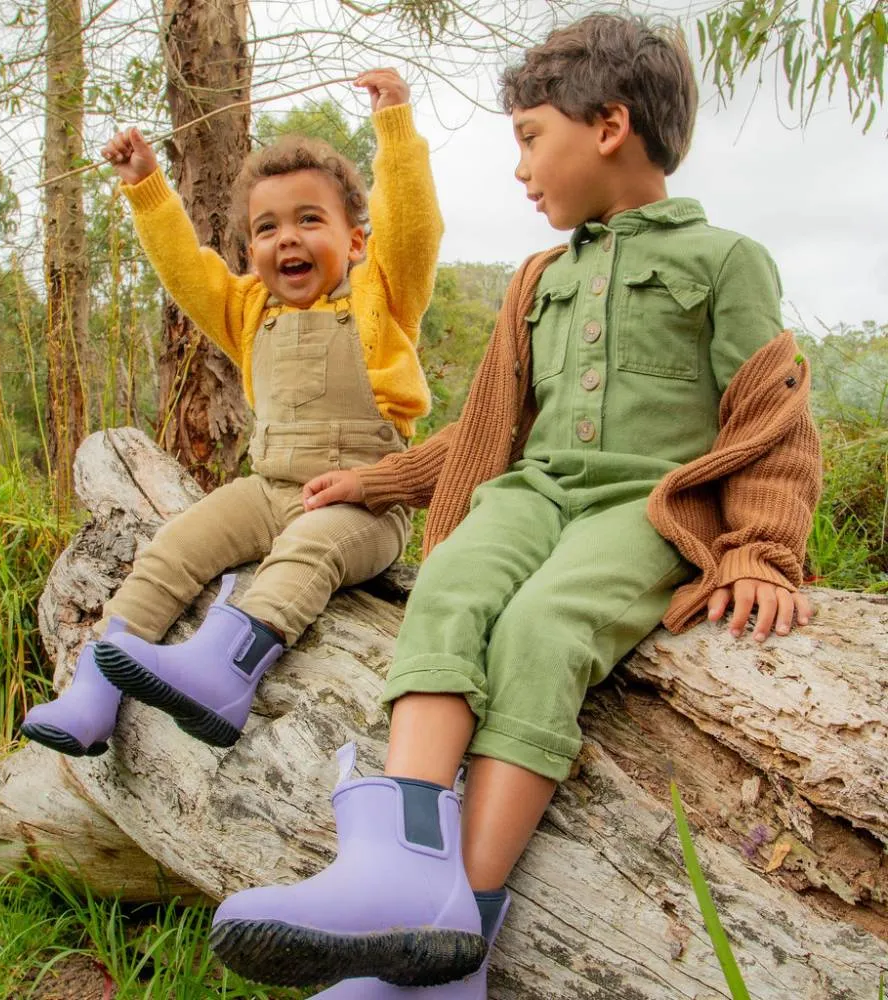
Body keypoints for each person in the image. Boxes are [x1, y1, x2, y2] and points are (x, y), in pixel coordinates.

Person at [206, 13, 822, 996]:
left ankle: (458, 925)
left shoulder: (724, 260)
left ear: (608, 125)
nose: (521, 168)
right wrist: (377, 481)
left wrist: (759, 550)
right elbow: (490, 425)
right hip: (531, 490)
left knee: (542, 626)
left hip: (645, 504)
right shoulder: (541, 276)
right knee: (449, 578)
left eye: (531, 138)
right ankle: (399, 864)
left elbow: (771, 418)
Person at [21, 68, 442, 757]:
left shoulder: (383, 297)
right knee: (177, 545)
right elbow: (187, 268)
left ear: (357, 241)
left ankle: (224, 670)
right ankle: (93, 692)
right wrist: (145, 186)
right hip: (269, 489)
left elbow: (415, 227)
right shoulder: (248, 311)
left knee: (311, 548)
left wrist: (395, 126)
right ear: (251, 252)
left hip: (365, 506)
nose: (288, 240)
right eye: (267, 228)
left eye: (311, 220)